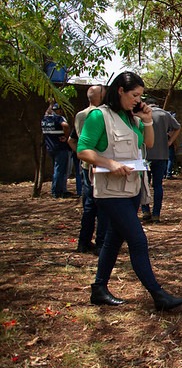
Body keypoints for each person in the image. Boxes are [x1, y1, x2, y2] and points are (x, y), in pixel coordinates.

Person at [77, 71, 182, 311]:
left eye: (141, 96)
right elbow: (83, 150)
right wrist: (110, 164)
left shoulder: (131, 117)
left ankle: (99, 289)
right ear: (120, 91)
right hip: (111, 192)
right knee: (138, 240)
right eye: (134, 95)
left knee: (114, 240)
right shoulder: (99, 116)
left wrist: (147, 120)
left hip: (132, 188)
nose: (138, 100)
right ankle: (158, 295)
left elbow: (147, 144)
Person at [68, 85, 108, 254]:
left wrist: (81, 154)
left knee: (89, 204)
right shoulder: (101, 115)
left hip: (86, 166)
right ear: (100, 97)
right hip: (99, 165)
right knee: (103, 205)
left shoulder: (80, 115)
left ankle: (83, 242)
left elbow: (72, 140)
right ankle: (101, 244)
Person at [140, 98, 180, 223]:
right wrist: (169, 142)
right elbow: (177, 128)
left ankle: (145, 210)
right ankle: (156, 214)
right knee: (158, 185)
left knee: (143, 184)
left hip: (145, 155)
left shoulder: (141, 114)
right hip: (161, 155)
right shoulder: (165, 114)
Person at [41, 102, 72, 198]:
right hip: (60, 147)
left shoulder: (44, 120)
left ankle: (59, 190)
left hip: (50, 147)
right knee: (60, 170)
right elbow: (66, 126)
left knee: (56, 169)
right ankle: (56, 192)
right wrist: (67, 137)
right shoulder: (58, 118)